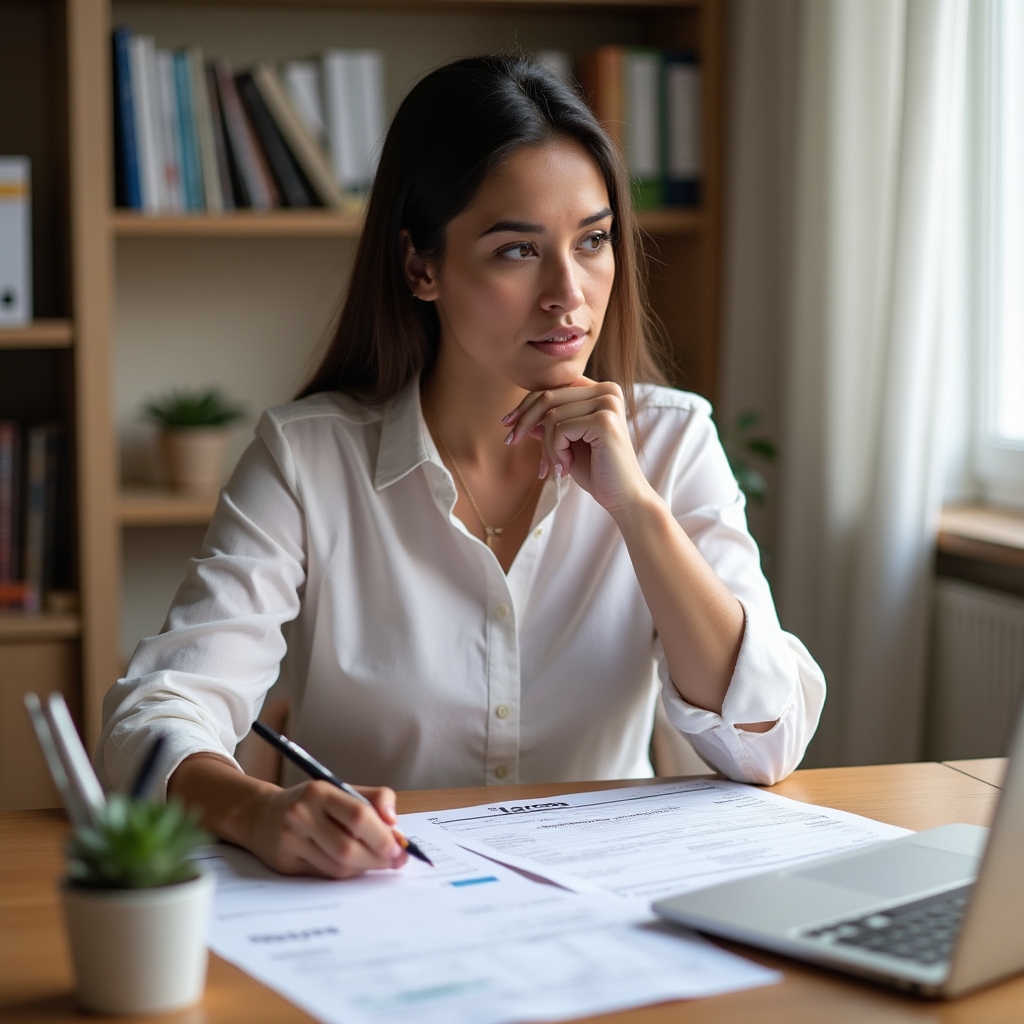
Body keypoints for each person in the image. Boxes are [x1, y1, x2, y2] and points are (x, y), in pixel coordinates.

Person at [98, 55, 825, 881]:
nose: (570, 295)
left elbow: (767, 740)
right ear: (421, 267)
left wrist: (640, 513)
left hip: (602, 909)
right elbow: (155, 713)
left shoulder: (671, 441)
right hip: (375, 903)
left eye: (591, 241)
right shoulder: (307, 458)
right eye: (517, 251)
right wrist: (260, 811)